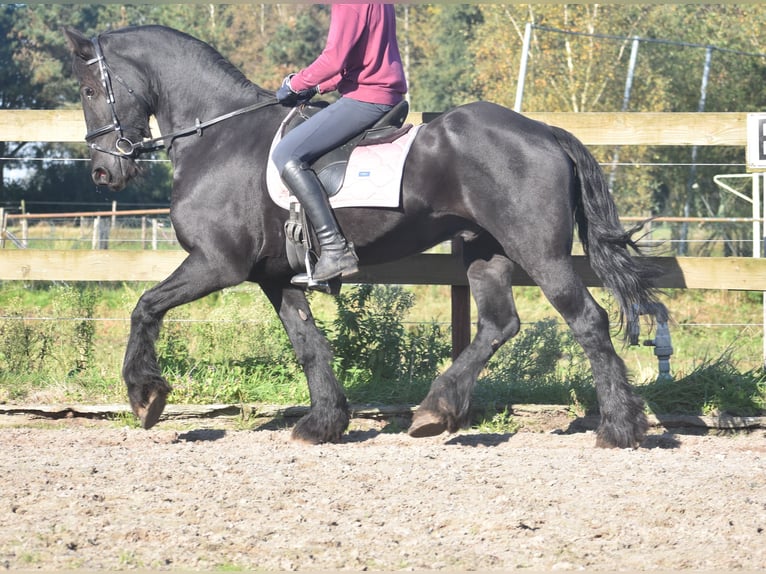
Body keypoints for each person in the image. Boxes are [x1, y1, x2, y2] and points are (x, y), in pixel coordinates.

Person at [272, 3, 408, 283]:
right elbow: (355, 60)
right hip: (382, 93)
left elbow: (333, 58)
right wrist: (317, 87)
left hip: (367, 98)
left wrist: (294, 85)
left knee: (286, 153)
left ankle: (334, 248)